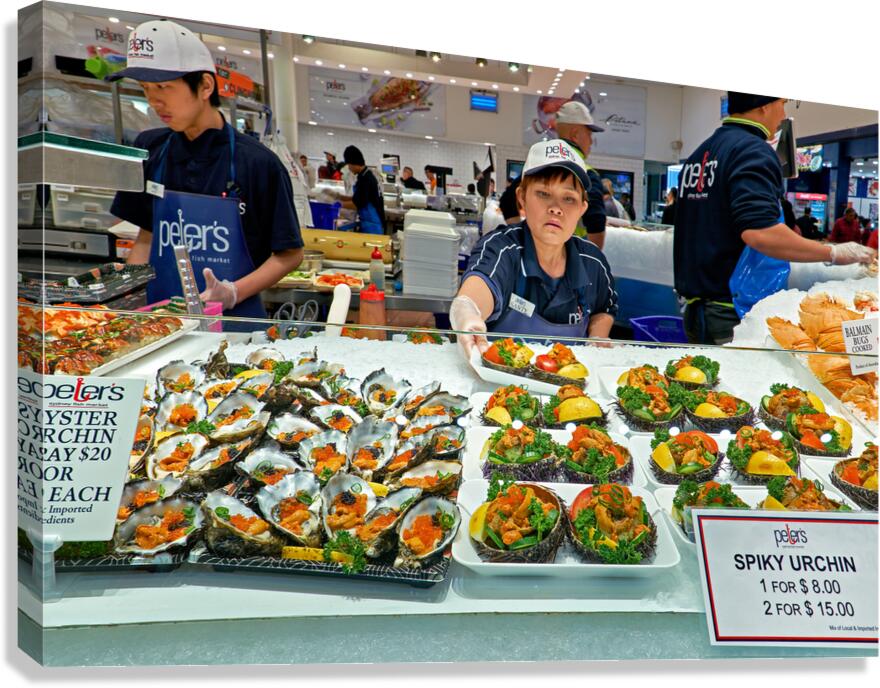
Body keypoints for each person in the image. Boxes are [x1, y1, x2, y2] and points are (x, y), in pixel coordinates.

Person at [107, 19, 303, 326]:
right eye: (145, 88)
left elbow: (290, 255)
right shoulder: (150, 148)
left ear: (205, 86)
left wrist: (233, 292)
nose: (154, 100)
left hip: (237, 328)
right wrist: (124, 305)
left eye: (164, 87)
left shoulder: (260, 163)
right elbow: (147, 238)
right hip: (161, 322)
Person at [674, 91, 876, 345]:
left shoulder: (699, 155)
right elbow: (760, 232)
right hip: (732, 312)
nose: (783, 115)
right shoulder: (752, 151)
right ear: (763, 106)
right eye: (782, 104)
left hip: (695, 310)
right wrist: (833, 254)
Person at [450, 138, 618, 355]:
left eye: (568, 198)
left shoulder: (593, 262)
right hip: (501, 384)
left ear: (582, 209)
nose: (556, 208)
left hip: (569, 385)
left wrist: (597, 336)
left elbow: (604, 308)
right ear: (522, 197)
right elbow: (473, 294)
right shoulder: (503, 248)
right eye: (543, 194)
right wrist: (468, 316)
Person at [553, 101, 607, 249]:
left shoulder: (536, 167)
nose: (591, 141)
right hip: (569, 260)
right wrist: (590, 262)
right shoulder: (587, 175)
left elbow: (508, 202)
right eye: (589, 134)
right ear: (575, 135)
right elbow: (596, 221)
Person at [338, 145, 385, 235]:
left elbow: (357, 204)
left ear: (352, 163)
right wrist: (339, 197)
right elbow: (357, 198)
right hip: (368, 223)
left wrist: (338, 204)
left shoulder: (366, 178)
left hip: (373, 225)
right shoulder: (363, 175)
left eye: (348, 165)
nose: (349, 168)